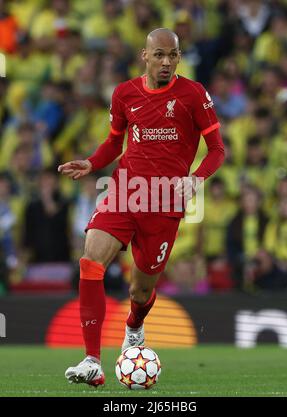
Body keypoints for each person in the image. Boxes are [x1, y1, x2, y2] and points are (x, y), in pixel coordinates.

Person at [58, 28, 224, 387]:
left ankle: (134, 325)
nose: (166, 62)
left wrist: (195, 179)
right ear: (144, 56)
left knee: (141, 291)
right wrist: (91, 162)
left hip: (164, 203)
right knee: (91, 260)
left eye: (173, 55)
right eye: (160, 55)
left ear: (179, 58)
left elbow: (218, 150)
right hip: (125, 192)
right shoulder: (124, 93)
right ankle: (92, 361)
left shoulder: (194, 94)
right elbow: (113, 143)